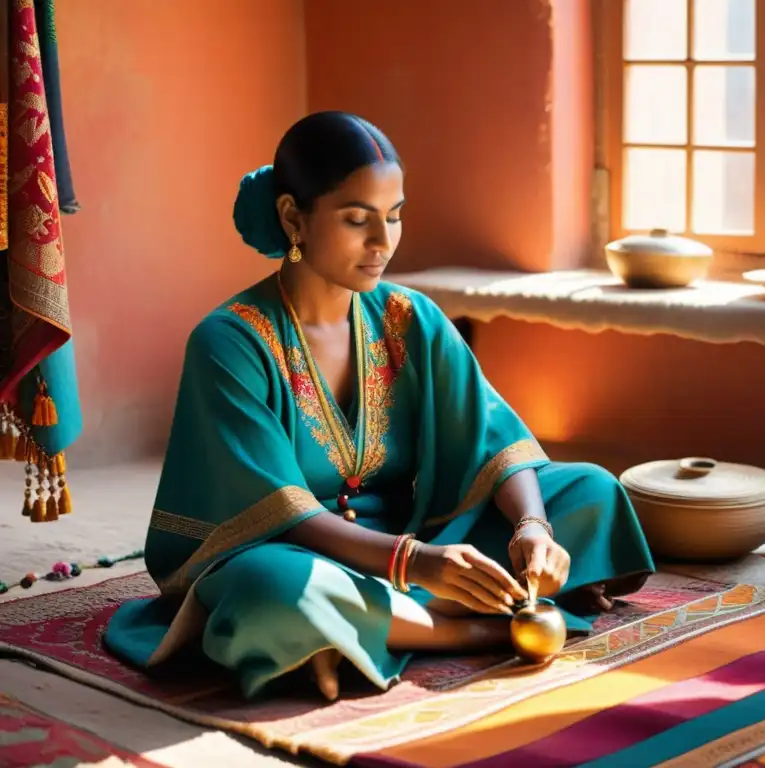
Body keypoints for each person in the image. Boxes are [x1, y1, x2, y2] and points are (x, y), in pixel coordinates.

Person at [103, 112, 655, 701]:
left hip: (414, 538)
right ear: (294, 217)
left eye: (394, 217)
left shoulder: (410, 317)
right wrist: (416, 565)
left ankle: (355, 634)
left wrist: (532, 528)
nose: (383, 242)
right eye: (357, 219)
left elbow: (495, 439)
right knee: (274, 592)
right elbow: (278, 513)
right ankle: (477, 629)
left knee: (590, 490)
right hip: (299, 554)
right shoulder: (230, 341)